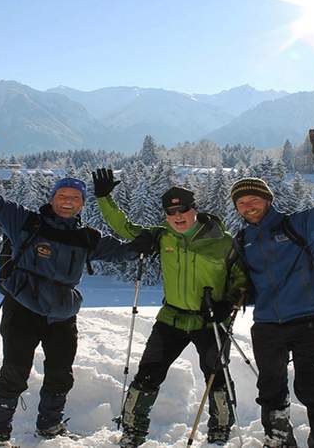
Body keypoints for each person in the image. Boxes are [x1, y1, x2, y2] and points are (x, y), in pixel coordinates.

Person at [0, 136, 149, 448]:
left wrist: (144, 246)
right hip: (22, 307)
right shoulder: (25, 222)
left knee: (61, 375)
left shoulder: (87, 237)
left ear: (81, 204)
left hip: (63, 314)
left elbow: (122, 251)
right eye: (62, 195)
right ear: (52, 199)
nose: (68, 201)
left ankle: (49, 427)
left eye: (75, 198)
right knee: (14, 375)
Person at [92, 168, 247, 447]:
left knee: (216, 377)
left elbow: (242, 279)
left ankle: (220, 428)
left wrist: (229, 304)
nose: (177, 217)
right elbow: (125, 228)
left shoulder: (223, 241)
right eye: (171, 213)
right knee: (148, 373)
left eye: (183, 210)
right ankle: (132, 430)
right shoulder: (162, 237)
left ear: (194, 209)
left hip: (210, 321)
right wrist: (104, 198)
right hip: (171, 318)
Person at [229, 131, 314, 448]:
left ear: (268, 200)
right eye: (241, 203)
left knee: (312, 388)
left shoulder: (298, 225)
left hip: (307, 321)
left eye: (254, 199)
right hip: (267, 325)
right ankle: (279, 442)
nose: (248, 206)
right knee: (271, 390)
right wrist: (233, 295)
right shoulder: (244, 240)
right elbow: (245, 281)